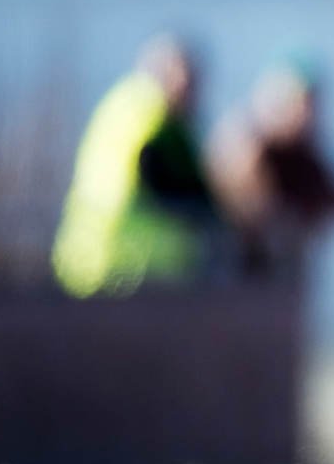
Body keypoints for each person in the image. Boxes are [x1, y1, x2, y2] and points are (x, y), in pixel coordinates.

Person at [53, 35, 223, 297]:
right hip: (126, 268)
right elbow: (174, 188)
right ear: (173, 75)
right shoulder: (157, 119)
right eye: (192, 81)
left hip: (82, 260)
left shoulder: (125, 102)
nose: (196, 94)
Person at [207, 57, 334, 279]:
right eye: (303, 103)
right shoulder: (247, 146)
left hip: (281, 269)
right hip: (228, 267)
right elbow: (250, 212)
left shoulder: (304, 153)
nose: (308, 115)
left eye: (313, 105)